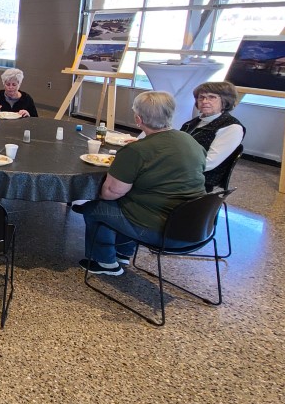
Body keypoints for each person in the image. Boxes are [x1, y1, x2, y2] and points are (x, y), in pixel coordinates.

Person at [74, 91, 206, 276]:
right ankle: (123, 252)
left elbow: (110, 193)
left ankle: (105, 262)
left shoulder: (136, 150)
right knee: (131, 203)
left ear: (138, 119)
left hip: (161, 230)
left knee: (94, 208)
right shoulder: (190, 141)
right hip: (196, 226)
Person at [181, 81, 246, 191]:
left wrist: (173, 167)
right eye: (201, 97)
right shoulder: (194, 122)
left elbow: (208, 163)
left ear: (225, 101)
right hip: (182, 169)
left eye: (211, 97)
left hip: (199, 179)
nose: (204, 101)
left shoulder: (232, 127)